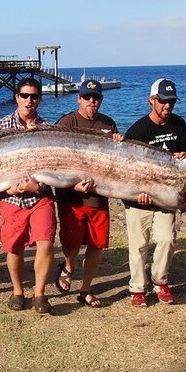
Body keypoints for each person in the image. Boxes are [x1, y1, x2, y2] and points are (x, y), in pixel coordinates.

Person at [0, 78, 57, 314]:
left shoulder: (48, 129)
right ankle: (18, 291)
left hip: (41, 197)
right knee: (14, 247)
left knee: (46, 243)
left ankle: (40, 294)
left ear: (40, 99)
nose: (30, 100)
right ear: (17, 97)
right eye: (25, 95)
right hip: (11, 199)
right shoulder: (1, 127)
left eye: (34, 96)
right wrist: (10, 190)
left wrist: (36, 188)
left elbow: (56, 169)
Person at [53, 80, 123, 308]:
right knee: (72, 245)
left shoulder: (108, 124)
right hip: (71, 198)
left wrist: (119, 142)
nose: (92, 101)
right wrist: (72, 185)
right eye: (87, 97)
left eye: (96, 97)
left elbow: (116, 161)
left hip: (99, 196)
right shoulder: (67, 122)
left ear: (101, 100)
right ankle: (69, 265)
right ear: (79, 99)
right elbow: (54, 160)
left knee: (97, 244)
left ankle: (86, 289)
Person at [123, 78, 186, 307]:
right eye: (162, 101)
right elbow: (125, 168)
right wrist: (136, 193)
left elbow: (183, 159)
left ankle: (160, 280)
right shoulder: (138, 129)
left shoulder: (179, 124)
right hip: (138, 197)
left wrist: (183, 158)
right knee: (139, 245)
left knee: (167, 239)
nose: (167, 106)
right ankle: (137, 287)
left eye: (171, 102)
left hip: (165, 195)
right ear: (151, 101)